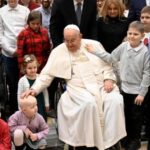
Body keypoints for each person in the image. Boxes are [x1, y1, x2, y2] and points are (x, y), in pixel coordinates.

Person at [22, 24, 126, 150]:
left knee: (115, 100)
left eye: (73, 40)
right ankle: (88, 143)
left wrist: (109, 78)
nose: (69, 44)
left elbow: (107, 65)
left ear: (80, 37)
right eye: (67, 40)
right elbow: (46, 74)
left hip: (100, 83)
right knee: (89, 104)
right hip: (78, 87)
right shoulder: (58, 51)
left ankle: (110, 141)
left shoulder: (95, 44)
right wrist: (34, 88)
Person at [86, 21, 150, 150]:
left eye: (136, 34)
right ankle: (125, 138)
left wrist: (142, 93)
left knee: (135, 118)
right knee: (125, 114)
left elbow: (147, 74)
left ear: (142, 36)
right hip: (124, 89)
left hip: (137, 92)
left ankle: (135, 140)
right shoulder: (123, 47)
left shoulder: (145, 53)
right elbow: (111, 58)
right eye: (130, 33)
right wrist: (95, 51)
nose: (132, 36)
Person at [0, 0, 30, 114]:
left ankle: (28, 109)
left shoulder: (25, 11)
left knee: (25, 81)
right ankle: (15, 111)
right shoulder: (1, 12)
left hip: (24, 52)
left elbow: (28, 30)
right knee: (12, 84)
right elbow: (0, 34)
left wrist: (21, 50)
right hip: (8, 54)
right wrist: (11, 50)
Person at [18, 54, 49, 121]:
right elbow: (19, 95)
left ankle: (42, 130)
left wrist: (47, 103)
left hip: (40, 102)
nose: (33, 70)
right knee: (31, 120)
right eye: (29, 68)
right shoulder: (22, 80)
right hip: (29, 105)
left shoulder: (40, 78)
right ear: (24, 68)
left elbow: (45, 91)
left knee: (41, 119)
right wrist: (20, 108)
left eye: (34, 67)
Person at [140, 6, 150, 150]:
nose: (144, 20)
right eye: (142, 17)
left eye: (147, 17)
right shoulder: (136, 33)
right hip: (139, 76)